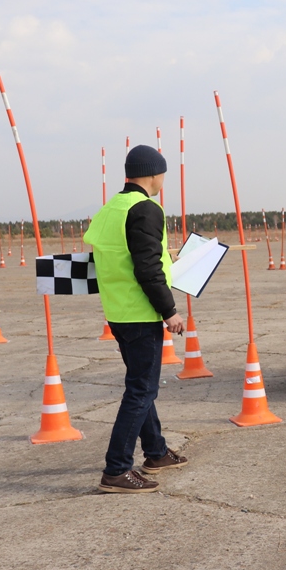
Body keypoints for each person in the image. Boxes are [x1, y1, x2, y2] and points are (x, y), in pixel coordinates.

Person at [84, 145, 187, 494]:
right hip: (140, 314)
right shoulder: (145, 208)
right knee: (142, 389)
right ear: (153, 174)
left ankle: (155, 452)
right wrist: (169, 311)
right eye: (162, 175)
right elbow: (148, 268)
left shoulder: (111, 208)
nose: (162, 181)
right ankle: (116, 469)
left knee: (142, 384)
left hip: (118, 312)